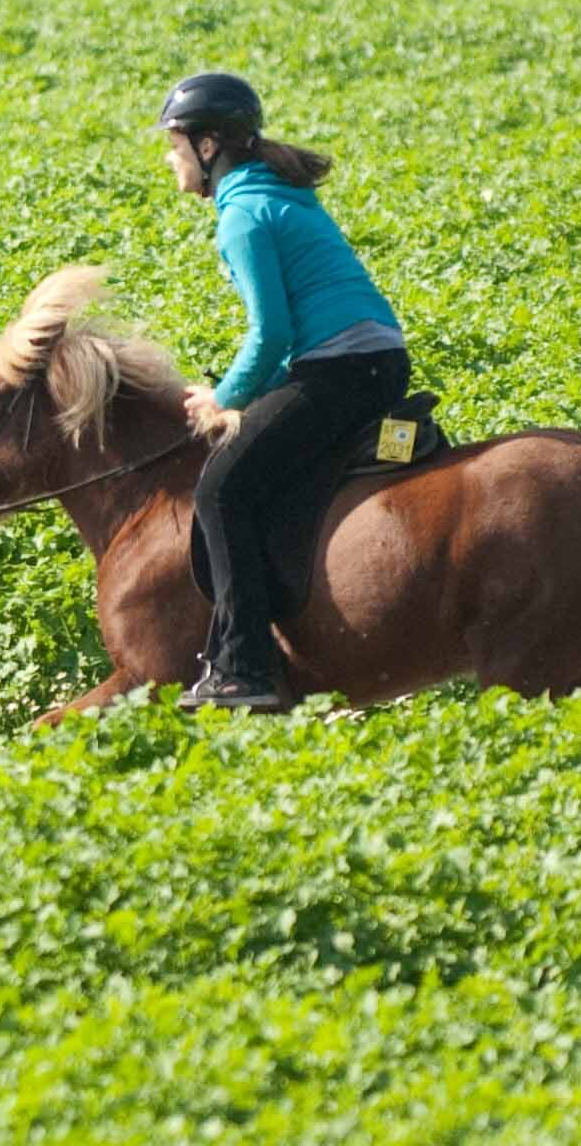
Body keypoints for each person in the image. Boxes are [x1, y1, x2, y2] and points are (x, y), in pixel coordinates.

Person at [155, 72, 409, 711]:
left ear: (209, 146)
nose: (169, 158)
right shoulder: (275, 193)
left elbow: (272, 335)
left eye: (175, 144)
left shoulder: (241, 215)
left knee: (221, 487)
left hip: (344, 368)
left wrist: (224, 399)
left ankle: (244, 668)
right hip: (366, 360)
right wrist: (235, 391)